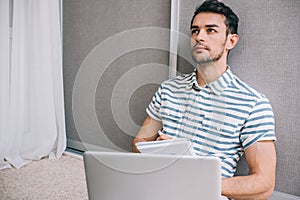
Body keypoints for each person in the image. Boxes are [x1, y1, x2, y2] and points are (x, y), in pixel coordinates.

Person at [132, 0, 276, 199]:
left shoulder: (253, 104)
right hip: (156, 188)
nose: (199, 37)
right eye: (195, 31)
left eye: (210, 30)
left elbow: (263, 183)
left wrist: (195, 175)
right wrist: (161, 152)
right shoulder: (168, 89)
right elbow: (140, 141)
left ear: (231, 41)